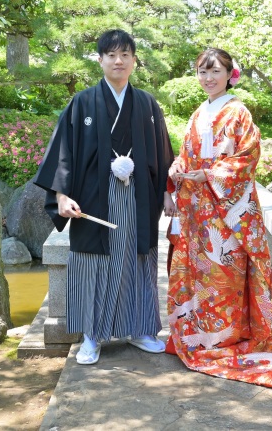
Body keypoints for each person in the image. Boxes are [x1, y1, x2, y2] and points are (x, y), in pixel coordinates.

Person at [34, 29, 175, 365]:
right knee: (93, 263)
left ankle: (140, 329)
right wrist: (62, 194)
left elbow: (163, 153)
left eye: (125, 54)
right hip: (93, 196)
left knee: (137, 259)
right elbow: (63, 153)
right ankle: (91, 336)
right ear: (99, 60)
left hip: (137, 195)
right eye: (111, 54)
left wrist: (169, 192)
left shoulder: (146, 104)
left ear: (134, 61)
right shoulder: (82, 102)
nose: (118, 60)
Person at [166, 48, 272, 388]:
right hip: (198, 210)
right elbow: (187, 154)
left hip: (228, 210)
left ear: (230, 74)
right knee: (198, 273)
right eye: (202, 72)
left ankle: (226, 338)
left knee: (224, 271)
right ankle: (200, 334)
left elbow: (247, 158)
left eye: (215, 71)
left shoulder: (238, 111)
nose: (208, 78)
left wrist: (209, 174)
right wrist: (179, 168)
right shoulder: (199, 112)